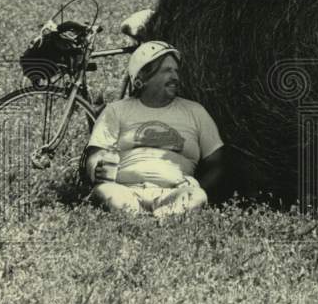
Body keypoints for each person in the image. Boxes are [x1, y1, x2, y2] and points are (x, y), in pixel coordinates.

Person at [84, 41, 225, 218]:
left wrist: (198, 186)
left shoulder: (195, 111)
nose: (175, 76)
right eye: (167, 70)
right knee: (106, 192)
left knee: (196, 196)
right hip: (124, 189)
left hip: (174, 191)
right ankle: (159, 217)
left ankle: (146, 217)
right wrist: (96, 168)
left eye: (176, 70)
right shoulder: (116, 110)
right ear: (142, 77)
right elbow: (96, 153)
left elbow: (217, 164)